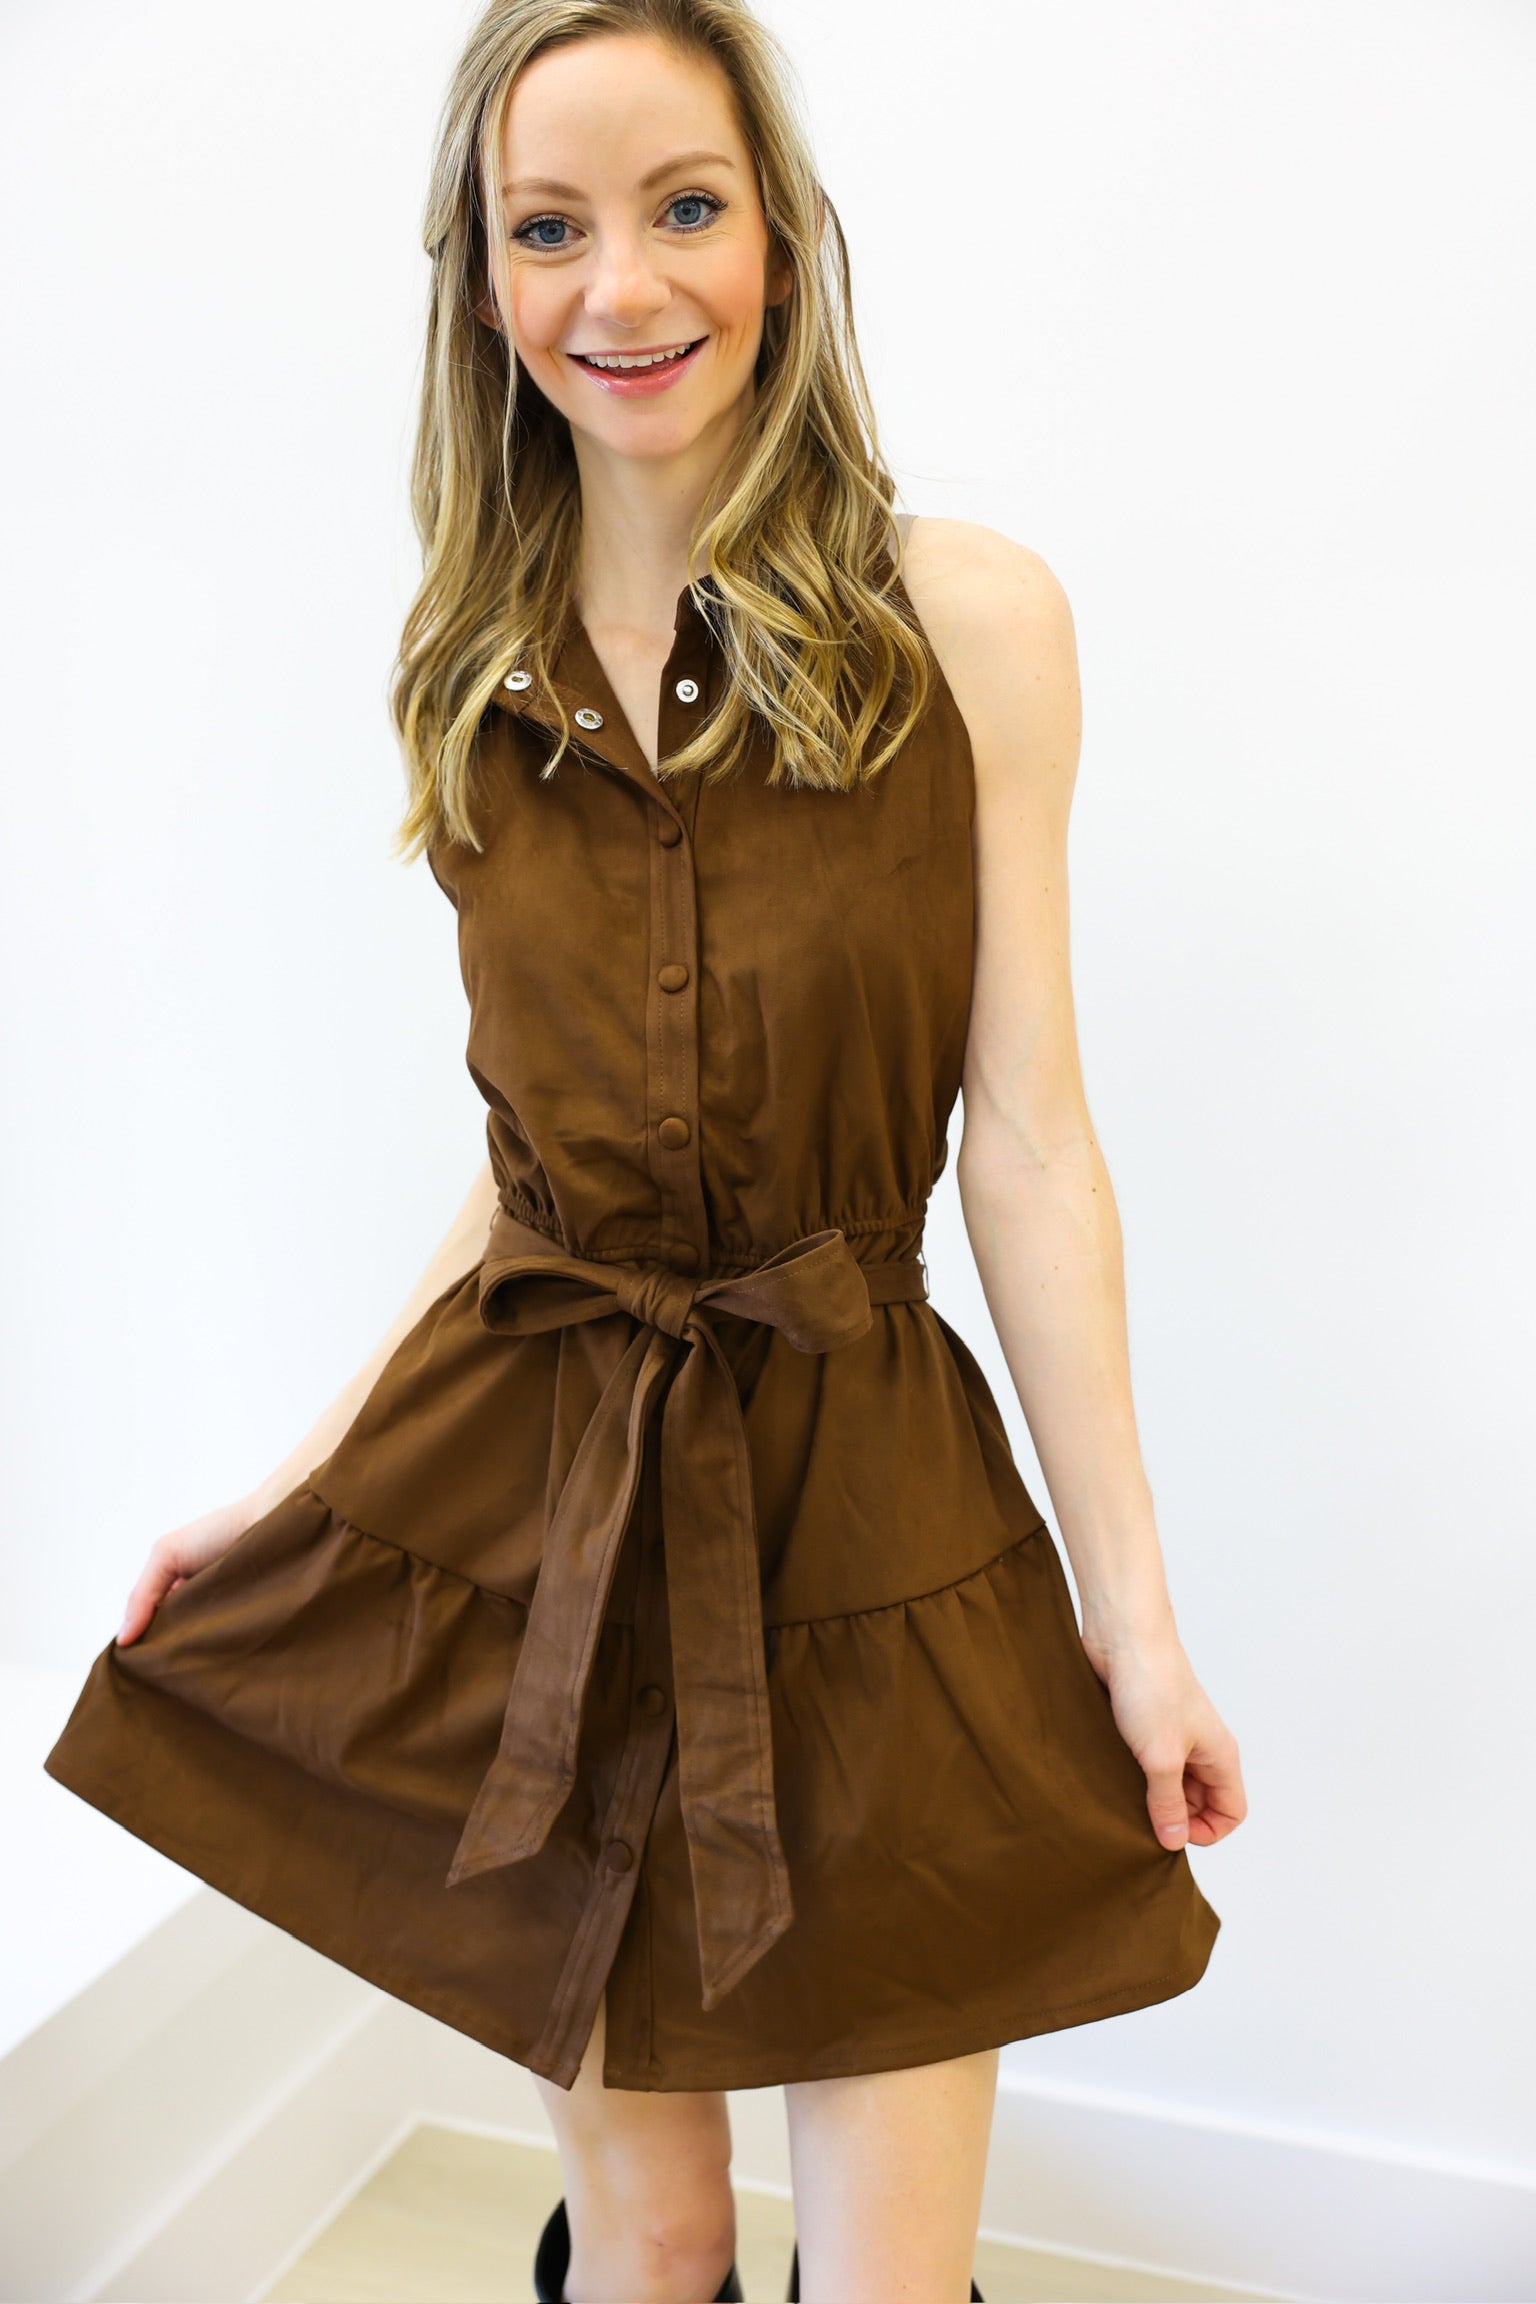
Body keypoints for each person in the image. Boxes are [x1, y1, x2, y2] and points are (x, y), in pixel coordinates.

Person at [45, 4, 1247, 2299]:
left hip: (876, 1531)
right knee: (651, 2232)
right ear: (481, 279)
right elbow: (531, 1185)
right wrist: (296, 1493)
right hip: (558, 1541)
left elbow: (1029, 1147)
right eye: (548, 227)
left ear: (780, 236)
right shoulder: (472, 674)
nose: (622, 286)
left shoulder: (970, 621)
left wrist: (1140, 1631)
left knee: (887, 2272)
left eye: (685, 206)